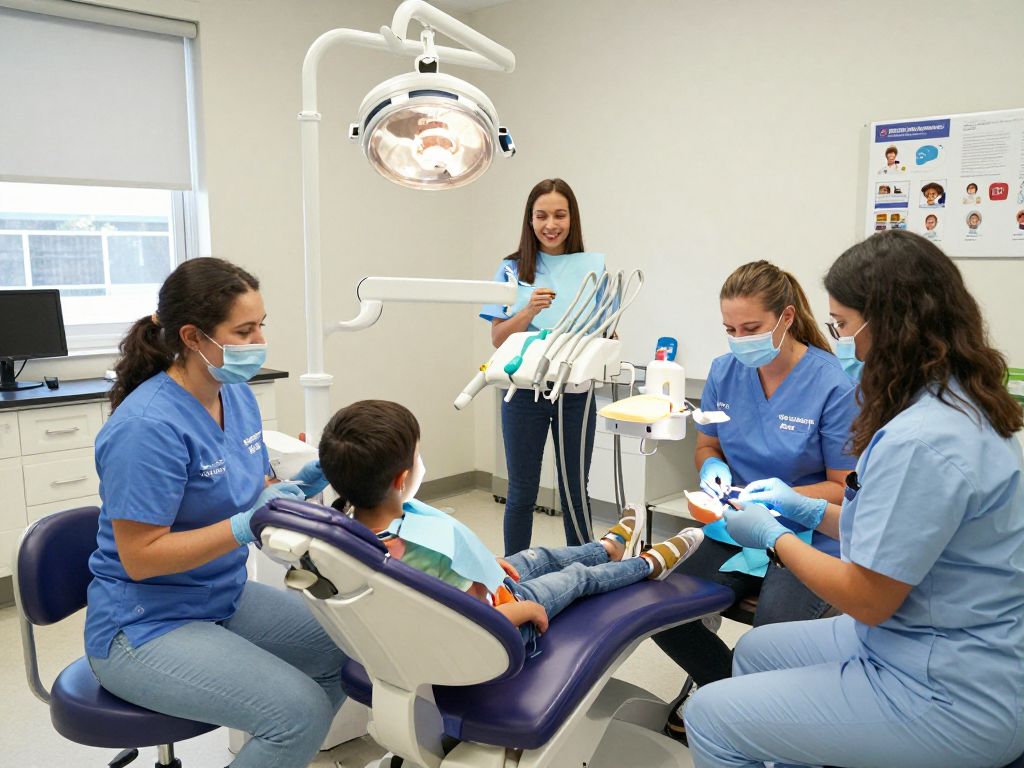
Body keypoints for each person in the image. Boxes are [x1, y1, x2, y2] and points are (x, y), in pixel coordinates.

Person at [685, 230, 1024, 768]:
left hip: (946, 685)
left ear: (890, 326)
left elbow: (867, 597)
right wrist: (809, 508)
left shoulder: (922, 441)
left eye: (843, 324)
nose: (840, 341)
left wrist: (773, 535)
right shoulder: (951, 403)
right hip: (916, 636)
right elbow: (891, 525)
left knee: (708, 715)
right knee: (753, 651)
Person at [85, 258, 347, 768]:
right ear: (193, 336)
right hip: (144, 623)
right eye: (244, 330)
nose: (258, 341)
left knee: (345, 650)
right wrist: (246, 524)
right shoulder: (147, 427)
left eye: (260, 326)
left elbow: (247, 486)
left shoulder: (236, 396)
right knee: (297, 713)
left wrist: (294, 485)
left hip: (219, 594)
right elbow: (141, 557)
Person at [652, 260, 858, 744]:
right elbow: (708, 445)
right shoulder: (725, 372)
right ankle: (728, 696)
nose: (738, 338)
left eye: (751, 328)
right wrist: (710, 469)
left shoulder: (832, 383)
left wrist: (785, 499)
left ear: (786, 318)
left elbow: (843, 484)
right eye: (729, 329)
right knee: (660, 610)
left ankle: (752, 715)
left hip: (806, 533)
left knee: (768, 640)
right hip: (736, 526)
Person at [317, 399, 704, 646]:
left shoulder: (361, 527)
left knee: (538, 556)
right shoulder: (412, 555)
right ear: (402, 479)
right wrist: (524, 612)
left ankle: (606, 548)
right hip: (499, 623)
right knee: (576, 579)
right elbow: (464, 619)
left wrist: (484, 565)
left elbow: (453, 569)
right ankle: (647, 565)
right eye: (417, 455)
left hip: (486, 589)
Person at [480, 178, 606, 554]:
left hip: (575, 392)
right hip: (522, 391)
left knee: (573, 491)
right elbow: (499, 338)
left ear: (572, 219)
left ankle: (584, 569)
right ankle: (513, 574)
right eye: (541, 216)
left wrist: (608, 337)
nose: (551, 224)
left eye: (559, 215)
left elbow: (603, 329)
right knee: (521, 490)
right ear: (530, 220)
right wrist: (530, 309)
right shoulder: (511, 269)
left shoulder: (591, 268)